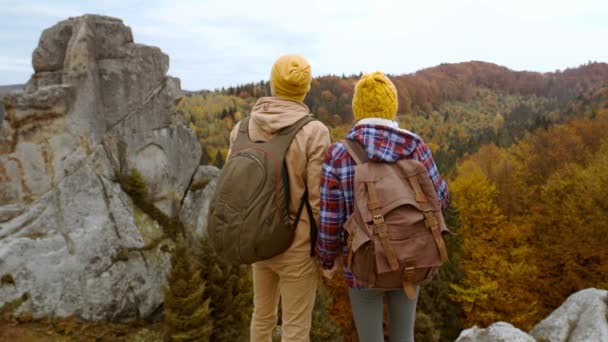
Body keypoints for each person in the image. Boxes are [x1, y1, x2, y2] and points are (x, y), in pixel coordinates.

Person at [316, 71, 449, 341]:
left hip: (361, 265)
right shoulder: (416, 147)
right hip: (411, 257)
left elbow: (332, 218)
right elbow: (441, 199)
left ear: (357, 109)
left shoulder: (339, 154)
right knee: (404, 336)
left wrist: (327, 259)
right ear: (392, 107)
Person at [227, 54, 331, 342]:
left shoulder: (242, 128)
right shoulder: (314, 131)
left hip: (257, 238)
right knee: (296, 327)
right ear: (305, 88)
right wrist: (327, 251)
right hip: (296, 245)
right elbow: (317, 200)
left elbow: (234, 187)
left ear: (273, 83)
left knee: (262, 316)